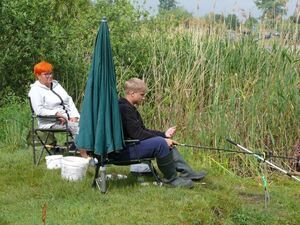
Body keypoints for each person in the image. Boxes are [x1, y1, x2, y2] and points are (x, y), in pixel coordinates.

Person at [113, 78, 206, 188]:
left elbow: (142, 130)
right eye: (142, 94)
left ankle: (187, 172)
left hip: (131, 145)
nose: (144, 97)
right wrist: (163, 140)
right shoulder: (124, 108)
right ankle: (171, 180)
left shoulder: (130, 107)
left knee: (166, 142)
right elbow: (137, 134)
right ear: (132, 93)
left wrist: (164, 135)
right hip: (123, 151)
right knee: (161, 143)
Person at [28, 61, 89, 159]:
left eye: (50, 73)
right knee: (76, 127)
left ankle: (94, 150)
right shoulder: (35, 91)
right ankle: (85, 155)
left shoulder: (56, 85)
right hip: (50, 122)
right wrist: (56, 114)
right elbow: (39, 111)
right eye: (46, 74)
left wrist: (75, 115)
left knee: (89, 122)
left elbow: (69, 100)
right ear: (38, 76)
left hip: (68, 118)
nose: (49, 76)